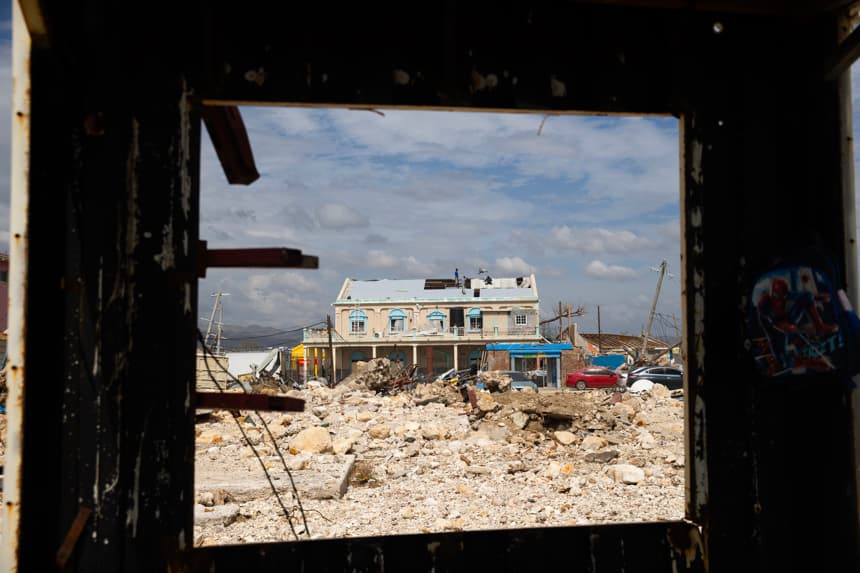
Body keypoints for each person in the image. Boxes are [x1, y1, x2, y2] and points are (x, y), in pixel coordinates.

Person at [756, 276, 838, 369]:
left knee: (807, 295)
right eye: (776, 296)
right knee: (783, 362)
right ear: (771, 293)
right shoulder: (764, 303)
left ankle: (819, 327)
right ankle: (808, 363)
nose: (779, 301)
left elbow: (801, 296)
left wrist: (816, 298)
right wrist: (784, 326)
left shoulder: (785, 294)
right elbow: (774, 323)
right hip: (776, 332)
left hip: (788, 320)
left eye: (783, 296)